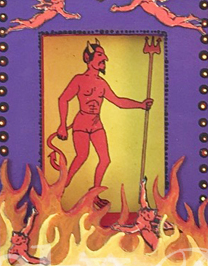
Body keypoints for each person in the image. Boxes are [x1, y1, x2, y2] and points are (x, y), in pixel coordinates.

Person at [55, 40, 153, 194]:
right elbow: (63, 99)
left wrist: (140, 105)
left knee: (105, 159)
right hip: (81, 124)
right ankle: (62, 187)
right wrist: (62, 125)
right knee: (82, 156)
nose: (105, 58)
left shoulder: (102, 84)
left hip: (96, 124)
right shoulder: (79, 79)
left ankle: (94, 193)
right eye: (100, 55)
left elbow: (118, 102)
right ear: (88, 58)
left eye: (104, 55)